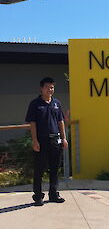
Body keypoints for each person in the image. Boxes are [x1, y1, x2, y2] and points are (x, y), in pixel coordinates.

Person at [25, 77, 68, 206]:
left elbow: (61, 121)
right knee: (39, 169)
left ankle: (54, 194)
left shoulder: (56, 103)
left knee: (55, 169)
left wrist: (64, 138)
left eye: (52, 87)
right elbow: (32, 123)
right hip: (41, 141)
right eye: (48, 87)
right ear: (42, 88)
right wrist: (35, 141)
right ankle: (38, 196)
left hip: (55, 140)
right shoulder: (35, 104)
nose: (50, 90)